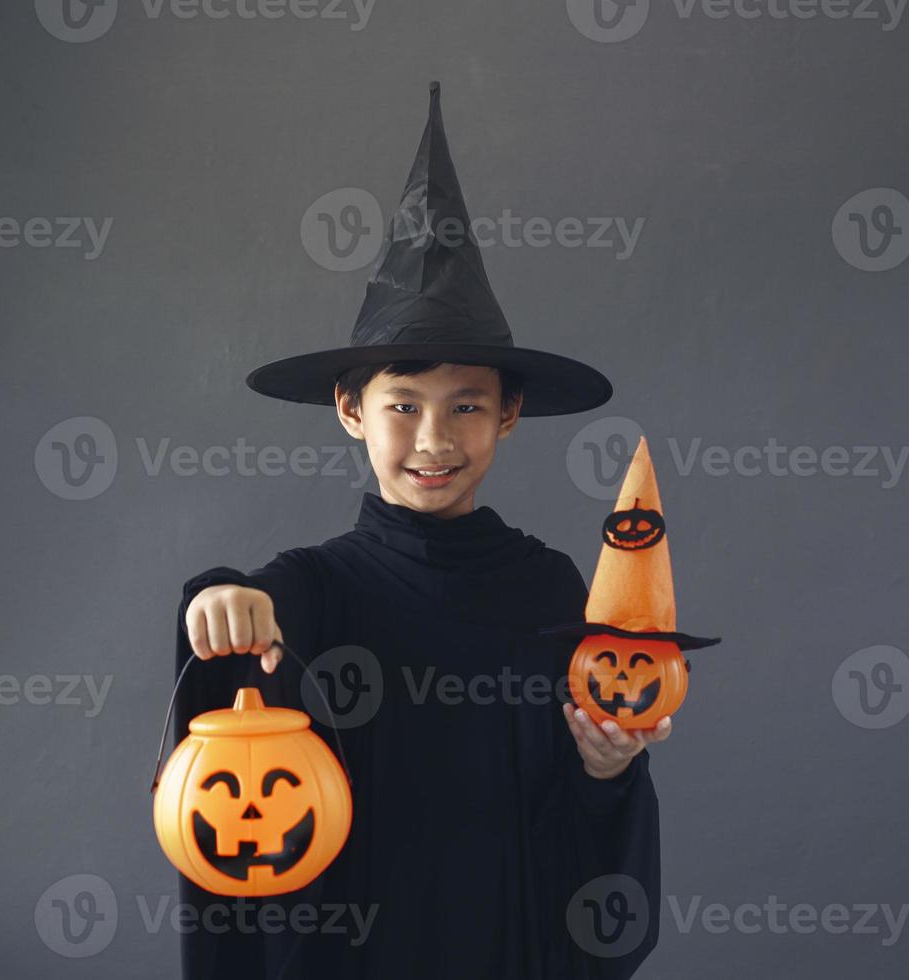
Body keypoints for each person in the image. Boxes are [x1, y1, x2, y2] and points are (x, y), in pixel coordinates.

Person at [166, 82, 666, 979]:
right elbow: (246, 638)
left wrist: (605, 767)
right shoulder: (314, 589)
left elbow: (580, 822)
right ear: (351, 410)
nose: (434, 440)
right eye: (404, 405)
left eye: (467, 406)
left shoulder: (551, 591)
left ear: (509, 414)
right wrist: (222, 595)